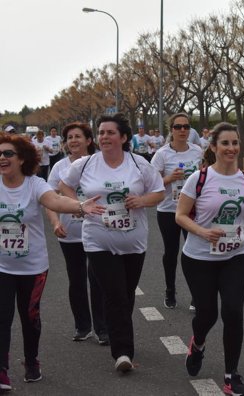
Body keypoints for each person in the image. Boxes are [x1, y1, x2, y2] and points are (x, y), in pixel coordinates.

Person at [60, 113, 165, 372]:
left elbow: (159, 192)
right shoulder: (85, 164)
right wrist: (80, 205)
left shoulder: (139, 164)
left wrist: (142, 201)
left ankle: (120, 335)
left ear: (124, 137)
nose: (104, 137)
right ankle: (122, 353)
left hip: (133, 241)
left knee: (126, 294)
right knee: (115, 293)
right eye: (101, 133)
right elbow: (64, 186)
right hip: (98, 240)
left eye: (110, 132)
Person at [0, 134, 103, 389]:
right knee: (2, 316)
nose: (2, 158)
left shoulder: (35, 185)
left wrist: (79, 206)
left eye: (8, 153)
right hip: (2, 266)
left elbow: (56, 200)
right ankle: (1, 369)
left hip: (33, 267)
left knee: (29, 316)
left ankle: (32, 360)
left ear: (22, 158)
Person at [175, 122, 244, 396]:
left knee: (233, 312)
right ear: (213, 147)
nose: (231, 148)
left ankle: (231, 375)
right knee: (207, 313)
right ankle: (198, 343)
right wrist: (202, 231)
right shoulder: (199, 178)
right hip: (199, 257)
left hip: (236, 255)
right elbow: (179, 215)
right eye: (225, 143)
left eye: (235, 143)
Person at [46, 122, 108, 345]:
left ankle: (103, 328)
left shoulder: (99, 164)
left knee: (99, 279)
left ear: (89, 140)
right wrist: (54, 223)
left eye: (78, 137)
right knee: (77, 280)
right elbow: (49, 199)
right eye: (69, 137)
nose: (73, 141)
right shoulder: (59, 168)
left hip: (99, 231)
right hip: (70, 233)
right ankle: (83, 326)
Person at [151, 113, 203, 310]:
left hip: (191, 210)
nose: (183, 130)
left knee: (194, 253)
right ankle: (170, 291)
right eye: (178, 127)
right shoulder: (162, 154)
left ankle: (196, 296)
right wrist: (169, 178)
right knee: (171, 253)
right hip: (168, 210)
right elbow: (151, 184)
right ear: (171, 130)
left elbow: (204, 177)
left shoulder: (197, 151)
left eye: (186, 126)